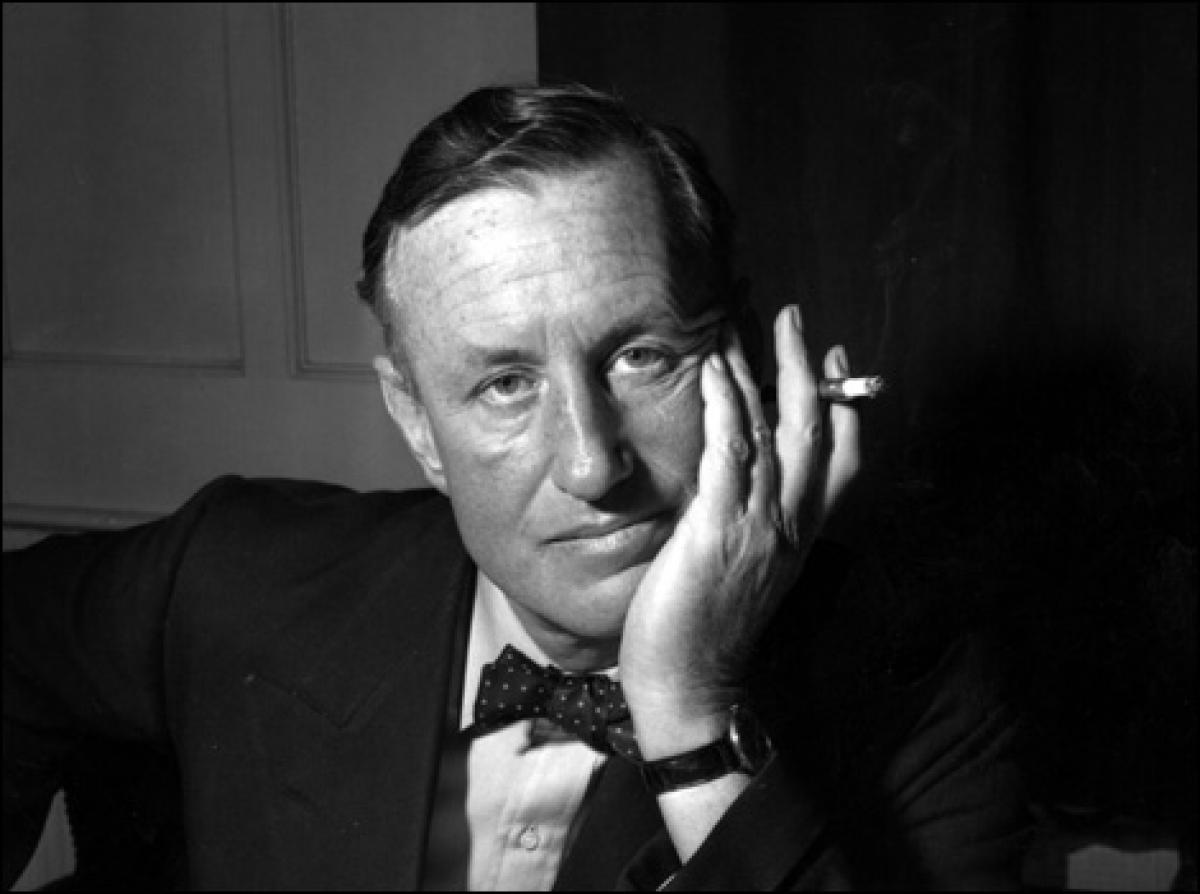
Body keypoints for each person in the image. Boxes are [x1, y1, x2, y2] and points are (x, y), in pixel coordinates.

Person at [3, 83, 1028, 890]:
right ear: (417, 423)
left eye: (640, 357)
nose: (592, 465)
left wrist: (686, 709)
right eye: (504, 384)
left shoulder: (926, 702)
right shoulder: (227, 574)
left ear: (745, 357)